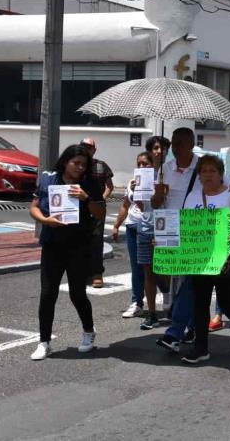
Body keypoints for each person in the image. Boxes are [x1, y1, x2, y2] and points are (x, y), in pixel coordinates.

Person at [29, 145, 106, 360]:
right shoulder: (49, 180)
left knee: (77, 293)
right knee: (47, 293)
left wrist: (86, 198)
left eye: (84, 164)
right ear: (65, 162)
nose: (80, 168)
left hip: (79, 245)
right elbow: (34, 206)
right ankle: (44, 342)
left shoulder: (89, 183)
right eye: (76, 163)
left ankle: (89, 332)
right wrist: (45, 220)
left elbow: (101, 212)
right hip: (53, 244)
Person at [180, 155, 230, 364]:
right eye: (204, 171)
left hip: (225, 257)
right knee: (200, 302)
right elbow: (184, 224)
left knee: (226, 300)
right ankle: (201, 348)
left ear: (221, 174)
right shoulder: (193, 196)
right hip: (199, 257)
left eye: (212, 171)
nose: (208, 175)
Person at [136, 136, 173, 330]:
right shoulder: (143, 175)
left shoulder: (172, 172)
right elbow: (142, 207)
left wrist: (161, 191)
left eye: (163, 148)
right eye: (156, 148)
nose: (160, 151)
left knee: (166, 269)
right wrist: (137, 192)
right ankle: (151, 313)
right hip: (146, 226)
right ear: (150, 151)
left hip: (167, 225)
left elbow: (162, 202)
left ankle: (167, 293)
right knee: (148, 272)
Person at [112, 152, 150, 319]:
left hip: (149, 227)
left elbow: (147, 207)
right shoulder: (131, 183)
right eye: (139, 163)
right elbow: (125, 205)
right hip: (132, 226)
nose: (142, 167)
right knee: (136, 266)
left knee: (152, 268)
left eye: (145, 163)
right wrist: (116, 225)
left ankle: (167, 297)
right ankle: (137, 302)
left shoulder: (157, 183)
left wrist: (141, 192)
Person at [80, 138, 113, 289]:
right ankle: (84, 273)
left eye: (89, 147)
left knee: (96, 240)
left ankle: (97, 274)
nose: (87, 150)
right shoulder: (77, 165)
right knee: (81, 240)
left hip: (98, 208)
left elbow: (109, 186)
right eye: (83, 147)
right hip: (80, 208)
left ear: (94, 150)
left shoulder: (101, 165)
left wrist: (102, 199)